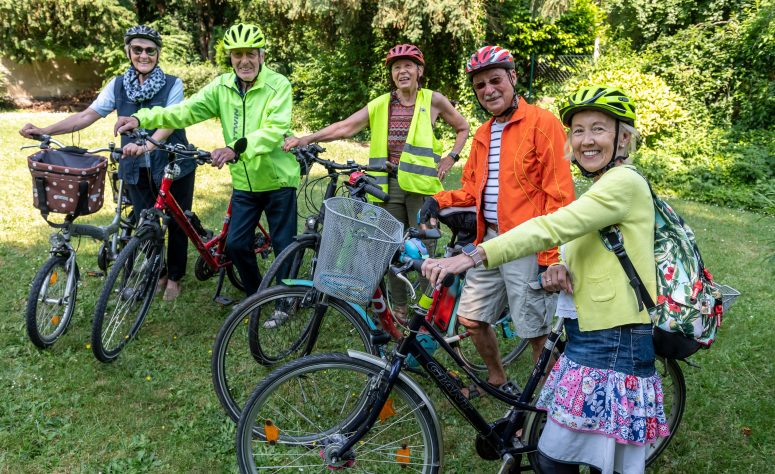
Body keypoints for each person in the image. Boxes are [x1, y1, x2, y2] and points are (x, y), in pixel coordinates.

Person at [423, 85, 670, 473]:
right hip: (592, 332)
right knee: (573, 458)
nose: (587, 140)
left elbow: (552, 225)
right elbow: (591, 241)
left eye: (599, 129)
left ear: (623, 137)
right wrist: (561, 267)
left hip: (615, 339)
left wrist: (476, 254)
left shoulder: (624, 183)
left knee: (559, 459)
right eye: (579, 130)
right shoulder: (604, 185)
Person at [420, 45, 575, 395]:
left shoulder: (543, 123)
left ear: (513, 78)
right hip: (489, 241)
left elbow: (560, 197)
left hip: (529, 243)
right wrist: (438, 199)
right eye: (480, 86)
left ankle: (549, 406)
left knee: (534, 331)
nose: (488, 90)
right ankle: (497, 379)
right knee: (471, 318)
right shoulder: (481, 134)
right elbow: (473, 191)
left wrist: (550, 258)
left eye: (495, 80)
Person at [284, 44, 469, 318]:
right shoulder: (382, 104)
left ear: (419, 70)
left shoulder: (433, 100)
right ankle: (401, 310)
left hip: (422, 189)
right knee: (393, 250)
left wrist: (450, 157)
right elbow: (344, 126)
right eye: (396, 67)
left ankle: (430, 313)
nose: (402, 71)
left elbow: (463, 127)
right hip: (387, 187)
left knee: (424, 251)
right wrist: (307, 138)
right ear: (392, 74)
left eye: (408, 65)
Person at [115, 23, 298, 299]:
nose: (244, 61)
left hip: (278, 179)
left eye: (251, 54)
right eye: (238, 55)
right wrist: (142, 118)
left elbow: (274, 131)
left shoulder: (278, 85)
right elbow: (184, 111)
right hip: (245, 183)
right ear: (231, 58)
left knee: (284, 245)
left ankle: (286, 302)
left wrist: (235, 149)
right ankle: (258, 296)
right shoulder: (222, 87)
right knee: (235, 246)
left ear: (262, 56)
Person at [20, 25, 193, 301]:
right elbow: (85, 117)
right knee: (145, 222)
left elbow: (169, 123)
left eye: (150, 50)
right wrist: (45, 130)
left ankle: (174, 277)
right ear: (128, 52)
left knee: (176, 220)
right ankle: (157, 271)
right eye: (138, 49)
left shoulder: (174, 84)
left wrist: (147, 145)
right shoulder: (118, 84)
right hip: (135, 167)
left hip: (171, 164)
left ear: (158, 53)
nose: (144, 55)